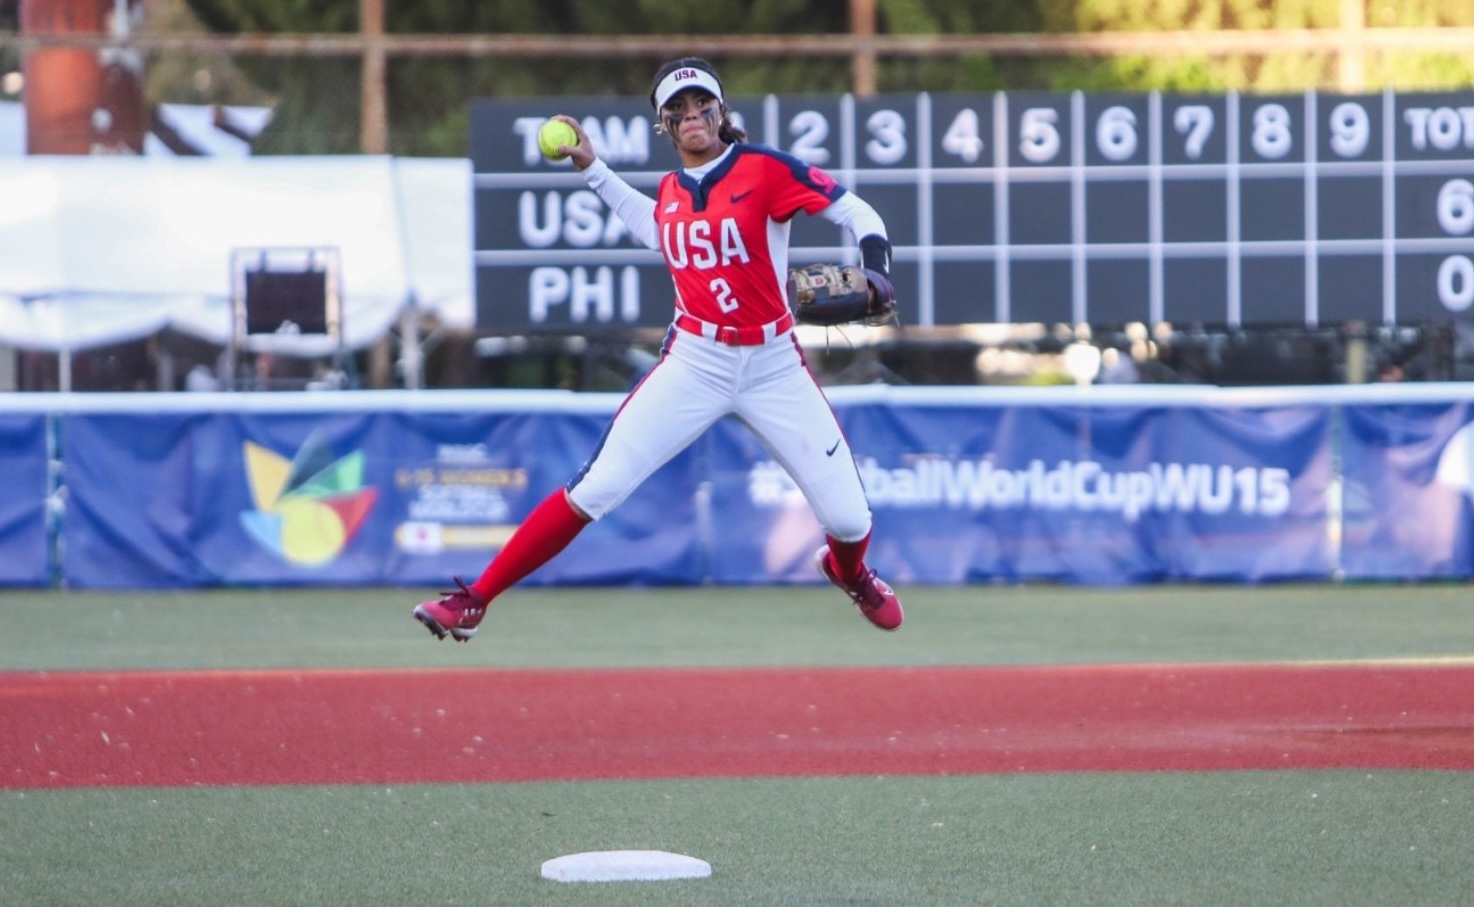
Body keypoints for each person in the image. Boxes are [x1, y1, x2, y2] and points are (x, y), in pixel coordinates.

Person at [413, 56, 903, 641]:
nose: (692, 114)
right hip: (696, 360)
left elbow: (856, 210)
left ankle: (849, 574)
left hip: (773, 364)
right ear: (663, 127)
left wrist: (876, 273)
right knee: (595, 487)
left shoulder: (765, 170)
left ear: (722, 113)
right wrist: (593, 168)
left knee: (849, 519)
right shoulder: (671, 191)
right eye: (677, 109)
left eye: (702, 104)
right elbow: (653, 226)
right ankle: (475, 599)